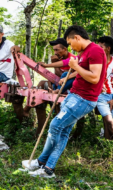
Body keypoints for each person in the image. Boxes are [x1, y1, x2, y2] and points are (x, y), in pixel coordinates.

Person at [22, 25, 106, 178]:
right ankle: (45, 166)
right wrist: (68, 76)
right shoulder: (84, 52)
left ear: (77, 38)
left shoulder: (96, 51)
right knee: (63, 131)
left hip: (83, 99)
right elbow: (80, 71)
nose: (70, 47)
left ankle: (44, 165)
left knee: (55, 126)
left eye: (70, 43)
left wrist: (75, 67)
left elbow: (94, 77)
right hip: (74, 95)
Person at [96, 36, 113, 140]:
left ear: (108, 48)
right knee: (109, 121)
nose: (98, 49)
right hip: (101, 96)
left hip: (112, 96)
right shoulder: (96, 62)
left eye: (101, 47)